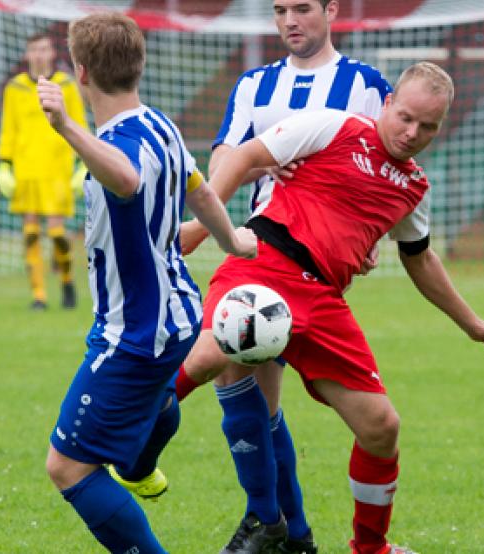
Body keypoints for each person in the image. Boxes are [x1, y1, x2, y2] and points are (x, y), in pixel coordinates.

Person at [178, 62, 484, 554]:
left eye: (428, 127)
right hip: (265, 263)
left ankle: (370, 548)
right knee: (210, 356)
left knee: (382, 427)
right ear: (386, 104)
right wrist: (202, 228)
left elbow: (419, 260)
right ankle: (134, 434)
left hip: (323, 300)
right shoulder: (336, 125)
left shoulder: (414, 186)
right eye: (405, 117)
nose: (412, 133)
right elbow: (245, 153)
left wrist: (474, 325)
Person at [174, 2, 391, 551]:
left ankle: (268, 521)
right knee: (248, 387)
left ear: (331, 10)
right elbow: (226, 151)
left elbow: (383, 171)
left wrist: (369, 240)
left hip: (315, 263)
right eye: (279, 10)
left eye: (301, 8)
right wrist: (257, 161)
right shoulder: (256, 84)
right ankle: (285, 530)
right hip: (257, 247)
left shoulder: (366, 85)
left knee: (224, 368)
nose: (290, 20)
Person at [38, 12, 258, 553]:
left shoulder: (117, 146)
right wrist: (230, 240)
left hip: (134, 334)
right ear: (139, 65)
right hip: (179, 316)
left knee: (67, 467)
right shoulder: (161, 123)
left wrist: (67, 126)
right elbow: (200, 189)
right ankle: (138, 465)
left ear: (80, 72)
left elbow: (129, 178)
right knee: (156, 400)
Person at [0, 32, 88, 310]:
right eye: (34, 49)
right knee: (31, 232)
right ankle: (39, 295)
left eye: (44, 49)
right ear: (27, 54)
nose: (39, 54)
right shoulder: (15, 88)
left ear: (51, 53)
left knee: (58, 233)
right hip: (26, 172)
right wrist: (4, 165)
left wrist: (82, 164)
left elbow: (79, 125)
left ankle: (67, 281)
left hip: (57, 171)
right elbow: (8, 129)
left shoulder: (66, 85)